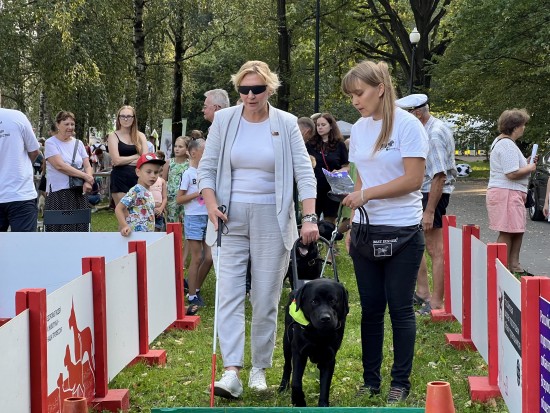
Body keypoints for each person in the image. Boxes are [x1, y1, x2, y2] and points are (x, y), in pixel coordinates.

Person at [198, 60, 318, 399]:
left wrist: (309, 217)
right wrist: (209, 203)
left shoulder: (287, 123)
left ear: (270, 89)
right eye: (244, 89)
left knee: (265, 296)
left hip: (272, 217)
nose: (251, 95)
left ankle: (260, 368)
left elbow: (303, 174)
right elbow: (207, 169)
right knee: (229, 294)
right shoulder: (223, 120)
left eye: (258, 89)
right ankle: (232, 369)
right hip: (228, 217)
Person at [341, 60, 428, 403]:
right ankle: (370, 379)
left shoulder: (408, 126)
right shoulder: (361, 128)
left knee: (400, 308)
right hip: (366, 228)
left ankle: (400, 382)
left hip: (403, 228)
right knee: (371, 308)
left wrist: (367, 194)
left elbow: (413, 180)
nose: (355, 101)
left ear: (380, 89)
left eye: (359, 93)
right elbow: (364, 174)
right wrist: (355, 220)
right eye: (351, 96)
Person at [395, 94, 457, 315]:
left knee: (434, 249)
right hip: (422, 192)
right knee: (417, 244)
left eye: (404, 115)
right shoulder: (423, 129)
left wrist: (430, 211)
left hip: (432, 194)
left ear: (417, 114)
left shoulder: (434, 134)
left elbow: (440, 176)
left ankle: (437, 302)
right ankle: (422, 292)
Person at [486, 108, 534, 275]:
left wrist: (526, 163)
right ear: (515, 126)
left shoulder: (506, 143)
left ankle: (514, 266)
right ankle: (502, 269)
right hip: (507, 192)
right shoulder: (506, 144)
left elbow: (511, 167)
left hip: (510, 193)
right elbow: (511, 173)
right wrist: (530, 167)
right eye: (523, 125)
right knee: (507, 230)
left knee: (516, 229)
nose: (524, 128)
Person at [177, 138, 212, 313]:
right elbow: (179, 199)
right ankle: (191, 296)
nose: (208, 153)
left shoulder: (209, 172)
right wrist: (197, 193)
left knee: (209, 258)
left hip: (209, 217)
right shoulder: (188, 174)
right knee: (197, 258)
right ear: (193, 153)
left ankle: (195, 288)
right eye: (205, 150)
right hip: (193, 218)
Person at [44, 111, 94, 232]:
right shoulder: (50, 142)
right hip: (58, 192)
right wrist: (85, 177)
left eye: (72, 124)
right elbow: (60, 166)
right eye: (66, 124)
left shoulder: (79, 143)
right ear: (58, 125)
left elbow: (87, 165)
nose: (70, 127)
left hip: (78, 191)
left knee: (80, 226)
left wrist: (88, 182)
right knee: (60, 228)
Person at [0, 108, 41, 232]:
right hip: (21, 193)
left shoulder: (17, 116)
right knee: (25, 248)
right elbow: (34, 151)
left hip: (21, 195)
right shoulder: (17, 116)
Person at [306, 112, 349, 224]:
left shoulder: (340, 144)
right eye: (318, 125)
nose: (320, 127)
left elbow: (347, 166)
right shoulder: (310, 144)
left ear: (331, 126)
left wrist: (339, 171)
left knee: (329, 219)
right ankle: (311, 241)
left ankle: (329, 241)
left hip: (332, 188)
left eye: (323, 125)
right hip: (315, 187)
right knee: (311, 218)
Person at [115, 153, 165, 236]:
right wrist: (124, 226)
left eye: (156, 172)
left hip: (146, 236)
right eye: (148, 172)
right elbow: (119, 208)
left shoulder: (148, 191)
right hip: (135, 236)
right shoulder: (136, 190)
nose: (153, 176)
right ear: (138, 172)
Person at [107, 106, 148, 206]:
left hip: (138, 178)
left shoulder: (141, 136)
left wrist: (123, 161)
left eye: (129, 116)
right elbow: (116, 161)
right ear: (118, 118)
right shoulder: (113, 136)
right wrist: (136, 156)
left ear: (134, 118)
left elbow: (145, 160)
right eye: (123, 116)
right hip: (120, 179)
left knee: (139, 214)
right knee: (124, 214)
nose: (126, 119)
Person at [150, 151, 167, 232]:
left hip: (159, 212)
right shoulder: (147, 181)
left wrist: (161, 208)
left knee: (157, 230)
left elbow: (164, 198)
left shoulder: (162, 181)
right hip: (148, 211)